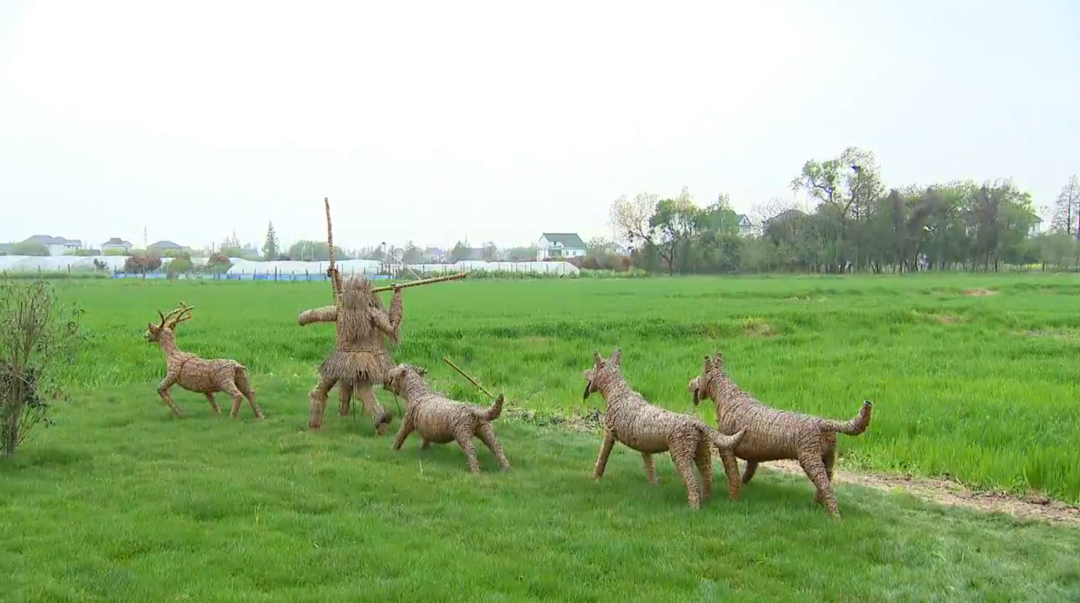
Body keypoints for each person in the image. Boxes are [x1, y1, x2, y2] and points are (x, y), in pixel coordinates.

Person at [298, 275, 403, 433]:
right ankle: (378, 415)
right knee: (364, 390)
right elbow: (391, 327)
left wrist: (302, 318)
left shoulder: (339, 311)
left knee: (319, 391)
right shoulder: (372, 313)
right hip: (364, 360)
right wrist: (397, 297)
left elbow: (315, 314)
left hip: (340, 359)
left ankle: (314, 427)